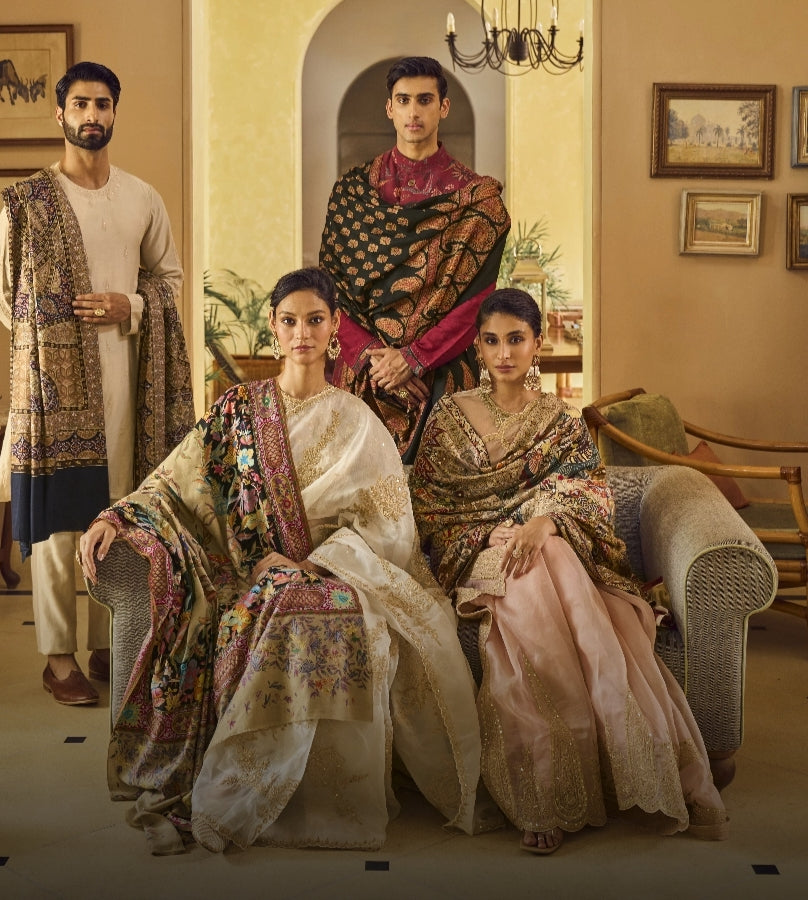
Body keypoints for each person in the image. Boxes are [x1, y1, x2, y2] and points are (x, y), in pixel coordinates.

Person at [78, 266, 483, 855]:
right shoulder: (238, 410)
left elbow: (391, 528)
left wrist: (314, 565)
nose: (302, 333)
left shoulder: (357, 421)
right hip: (246, 575)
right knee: (268, 609)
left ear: (335, 326)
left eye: (315, 320)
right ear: (273, 325)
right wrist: (114, 518)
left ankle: (327, 802)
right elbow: (173, 482)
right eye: (290, 321)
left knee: (332, 616)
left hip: (336, 572)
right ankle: (248, 787)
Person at [409, 289, 729, 854]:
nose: (503, 353)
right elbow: (428, 504)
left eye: (516, 339)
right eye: (491, 341)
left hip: (551, 549)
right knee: (532, 567)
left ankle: (588, 775)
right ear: (477, 347)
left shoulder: (559, 420)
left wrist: (545, 522)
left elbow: (589, 490)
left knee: (547, 556)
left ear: (538, 344)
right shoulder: (449, 416)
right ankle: (547, 791)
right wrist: (490, 532)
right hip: (476, 549)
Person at [0, 61, 194, 707]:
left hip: (129, 377)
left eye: (102, 104)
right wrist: (52, 340)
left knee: (118, 509)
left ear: (114, 112)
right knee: (55, 523)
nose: (92, 115)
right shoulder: (27, 202)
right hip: (52, 392)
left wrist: (131, 305)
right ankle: (58, 656)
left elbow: (170, 280)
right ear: (60, 114)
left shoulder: (142, 197)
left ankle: (108, 643)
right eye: (80, 104)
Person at [320, 56, 510, 463]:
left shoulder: (477, 204)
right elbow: (330, 291)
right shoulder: (352, 193)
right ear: (389, 108)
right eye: (403, 100)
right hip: (364, 375)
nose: (413, 112)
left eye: (425, 100)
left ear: (444, 107)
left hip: (440, 378)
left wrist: (414, 359)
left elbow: (474, 305)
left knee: (442, 488)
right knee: (356, 490)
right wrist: (377, 359)